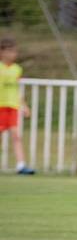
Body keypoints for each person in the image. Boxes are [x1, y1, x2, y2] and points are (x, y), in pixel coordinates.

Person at [0, 38, 34, 175]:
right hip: (0, 106)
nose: (12, 55)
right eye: (9, 51)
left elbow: (17, 89)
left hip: (12, 106)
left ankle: (21, 165)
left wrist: (24, 106)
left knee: (16, 135)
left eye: (14, 52)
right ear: (1, 52)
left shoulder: (17, 69)